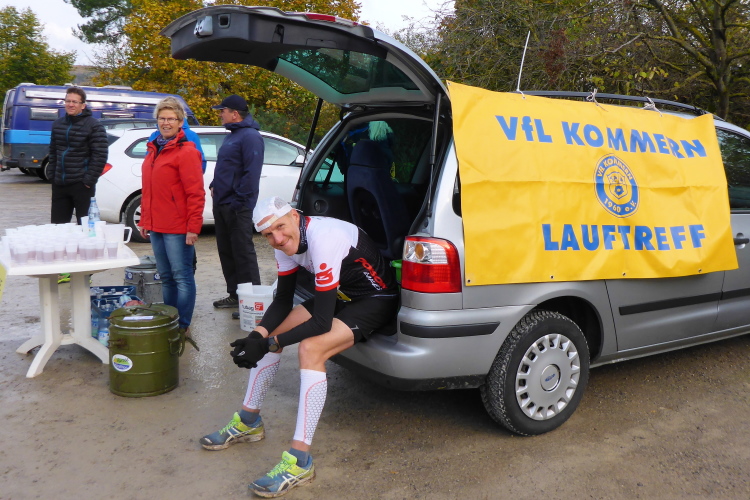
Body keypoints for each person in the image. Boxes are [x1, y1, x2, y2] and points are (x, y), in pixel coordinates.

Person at [200, 196, 399, 498]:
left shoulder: (324, 238)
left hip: (374, 299)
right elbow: (282, 300)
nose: (277, 238)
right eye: (268, 234)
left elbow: (320, 323)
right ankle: (249, 421)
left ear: (294, 216)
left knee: (310, 348)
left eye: (280, 227)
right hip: (342, 293)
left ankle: (299, 461)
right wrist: (256, 336)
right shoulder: (284, 244)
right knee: (273, 328)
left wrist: (269, 343)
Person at [138, 97, 205, 333]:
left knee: (182, 277)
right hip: (157, 225)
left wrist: (193, 227)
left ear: (180, 122)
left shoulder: (187, 151)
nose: (166, 123)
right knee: (165, 276)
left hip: (178, 227)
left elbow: (196, 193)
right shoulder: (153, 148)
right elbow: (148, 190)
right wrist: (145, 220)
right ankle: (170, 318)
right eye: (162, 118)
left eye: (171, 119)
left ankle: (182, 324)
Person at [48, 87, 108, 284]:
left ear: (83, 105)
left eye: (74, 102)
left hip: (82, 185)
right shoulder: (58, 124)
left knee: (85, 231)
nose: (70, 104)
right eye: (68, 101)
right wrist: (52, 174)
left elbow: (100, 155)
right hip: (60, 184)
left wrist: (88, 180)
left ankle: (84, 273)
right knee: (59, 229)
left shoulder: (94, 126)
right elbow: (53, 151)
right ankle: (63, 270)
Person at [209, 94, 264, 311]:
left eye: (222, 111)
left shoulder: (250, 137)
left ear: (234, 114)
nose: (220, 115)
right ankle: (235, 295)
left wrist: (239, 202)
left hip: (237, 206)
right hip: (222, 203)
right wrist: (214, 184)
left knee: (243, 253)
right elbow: (226, 166)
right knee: (227, 251)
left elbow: (252, 173)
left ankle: (252, 302)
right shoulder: (232, 135)